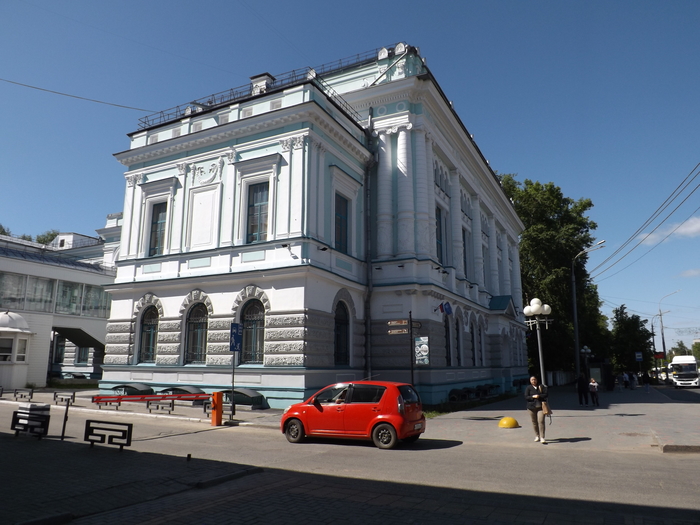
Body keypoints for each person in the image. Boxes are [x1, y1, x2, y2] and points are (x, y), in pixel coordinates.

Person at [524, 376, 548, 444]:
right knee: (534, 422)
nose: (533, 381)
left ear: (537, 380)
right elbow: (526, 397)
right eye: (532, 380)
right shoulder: (528, 388)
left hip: (541, 407)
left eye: (534, 379)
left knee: (541, 421)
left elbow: (546, 395)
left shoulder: (541, 386)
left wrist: (539, 396)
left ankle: (542, 437)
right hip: (531, 407)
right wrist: (532, 397)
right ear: (530, 381)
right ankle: (537, 436)